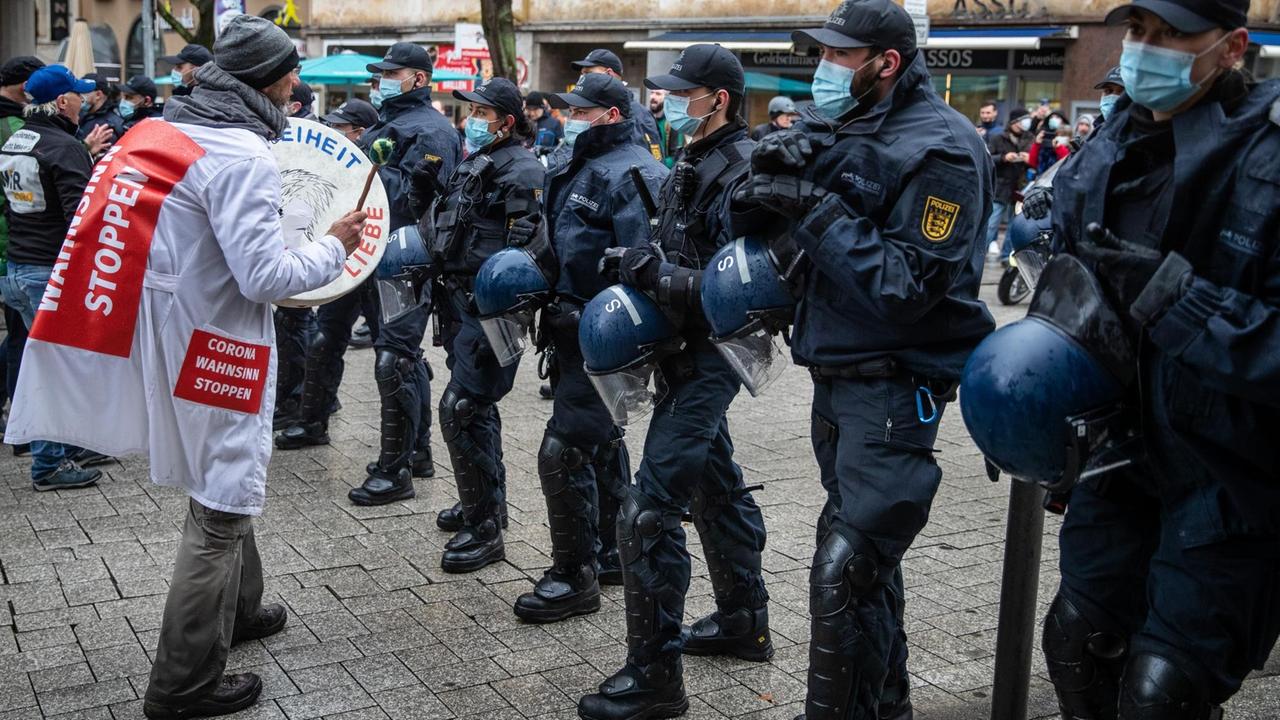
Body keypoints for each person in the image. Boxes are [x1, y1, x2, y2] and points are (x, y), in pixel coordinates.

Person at [5, 17, 370, 718]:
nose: (297, 82)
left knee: (227, 475)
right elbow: (265, 277)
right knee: (223, 497)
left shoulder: (161, 131)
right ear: (268, 79)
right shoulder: (242, 154)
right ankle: (184, 682)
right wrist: (333, 245)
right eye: (291, 71)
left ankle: (244, 609)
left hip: (174, 334)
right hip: (218, 345)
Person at [733, 1, 995, 718]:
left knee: (844, 570)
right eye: (822, 54)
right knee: (870, 572)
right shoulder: (842, 126)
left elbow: (905, 286)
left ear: (887, 62)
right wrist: (763, 169)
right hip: (835, 379)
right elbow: (753, 221)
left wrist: (814, 206)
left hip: (893, 387)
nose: (824, 68)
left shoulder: (941, 148)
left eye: (841, 56)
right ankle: (886, 705)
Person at [1040, 0, 1280, 717]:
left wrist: (1182, 305)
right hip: (1116, 464)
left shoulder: (1267, 156)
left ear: (1232, 47)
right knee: (1076, 640)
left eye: (1173, 34)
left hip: (1230, 479)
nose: (1147, 49)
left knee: (1162, 692)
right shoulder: (1105, 149)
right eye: (1139, 32)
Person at [578, 44, 772, 720]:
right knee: (714, 483)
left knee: (650, 507)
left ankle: (656, 678)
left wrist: (647, 272)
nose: (672, 101)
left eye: (686, 92)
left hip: (711, 356)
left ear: (718, 98)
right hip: (680, 350)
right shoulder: (692, 158)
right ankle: (744, 620)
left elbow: (737, 290)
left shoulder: (744, 169)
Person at [512, 73, 667, 623]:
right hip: (566, 328)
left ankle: (572, 576)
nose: (572, 116)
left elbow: (643, 265)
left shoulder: (635, 172)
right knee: (599, 442)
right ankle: (607, 555)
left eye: (584, 110)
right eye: (570, 108)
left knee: (567, 448)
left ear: (611, 115)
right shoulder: (574, 163)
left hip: (603, 333)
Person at [422, 78, 546, 573]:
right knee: (475, 408)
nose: (472, 118)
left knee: (464, 406)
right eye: (469, 109)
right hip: (456, 302)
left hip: (491, 309)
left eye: (481, 111)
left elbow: (527, 251)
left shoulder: (523, 170)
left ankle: (486, 529)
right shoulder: (478, 160)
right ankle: (485, 502)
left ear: (507, 121)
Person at [345, 42, 461, 505]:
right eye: (379, 76)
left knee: (396, 357)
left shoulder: (429, 130)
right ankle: (416, 452)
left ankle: (396, 471)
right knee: (397, 353)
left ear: (417, 78)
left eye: (391, 74)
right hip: (381, 253)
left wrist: (366, 165)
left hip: (407, 259)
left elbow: (421, 200)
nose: (381, 82)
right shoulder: (390, 124)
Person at [0, 64, 113, 491]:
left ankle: (66, 447)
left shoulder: (19, 139)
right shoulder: (62, 147)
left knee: (46, 362)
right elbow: (80, 223)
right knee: (57, 367)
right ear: (62, 101)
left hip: (18, 268)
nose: (85, 100)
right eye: (79, 95)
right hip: (49, 271)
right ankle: (49, 464)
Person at [274, 99, 383, 450]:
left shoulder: (379, 162)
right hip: (345, 262)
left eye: (341, 128)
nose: (335, 132)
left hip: (383, 265)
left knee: (396, 357)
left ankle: (411, 455)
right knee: (325, 340)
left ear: (360, 132)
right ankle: (313, 420)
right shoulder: (334, 168)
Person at [271, 79, 323, 427]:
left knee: (298, 325)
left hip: (301, 241)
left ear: (296, 106)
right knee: (292, 325)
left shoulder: (311, 142)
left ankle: (297, 400)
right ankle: (296, 398)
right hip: (287, 241)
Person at [570, 49, 663, 158]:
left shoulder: (637, 114)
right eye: (582, 74)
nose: (582, 79)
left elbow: (645, 164)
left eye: (588, 73)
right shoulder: (597, 107)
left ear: (608, 74)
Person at [985, 105, 1032, 260]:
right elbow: (988, 159)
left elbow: (1035, 160)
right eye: (1023, 120)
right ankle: (979, 252)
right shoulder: (998, 138)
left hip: (1020, 188)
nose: (1026, 123)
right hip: (1000, 186)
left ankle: (1006, 255)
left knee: (1015, 225)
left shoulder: (1030, 138)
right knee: (991, 223)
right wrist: (1004, 158)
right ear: (1014, 122)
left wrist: (1028, 159)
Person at [76, 73, 124, 149]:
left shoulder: (108, 126)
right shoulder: (84, 116)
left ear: (98, 94)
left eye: (84, 92)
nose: (79, 96)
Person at [647, 88, 683, 166]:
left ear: (666, 98)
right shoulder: (644, 119)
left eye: (658, 94)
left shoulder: (673, 123)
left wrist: (657, 165)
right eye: (652, 93)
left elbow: (676, 156)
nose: (653, 96)